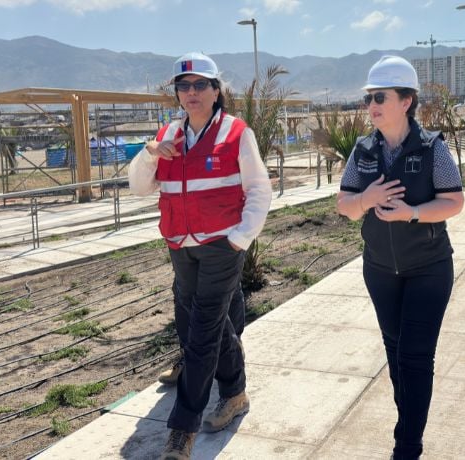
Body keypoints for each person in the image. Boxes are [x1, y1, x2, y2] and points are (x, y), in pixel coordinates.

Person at [128, 51, 272, 459]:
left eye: (199, 86)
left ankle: (181, 430)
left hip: (221, 246)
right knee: (209, 322)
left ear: (215, 91)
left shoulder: (236, 133)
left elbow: (260, 190)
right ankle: (236, 393)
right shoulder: (167, 137)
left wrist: (240, 238)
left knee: (202, 334)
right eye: (183, 87)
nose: (191, 93)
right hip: (180, 246)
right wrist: (152, 152)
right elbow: (139, 187)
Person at [336, 55, 464, 460]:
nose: (371, 105)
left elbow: (455, 201)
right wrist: (367, 198)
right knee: (395, 356)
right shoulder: (363, 149)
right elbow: (344, 205)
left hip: (428, 269)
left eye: (380, 96)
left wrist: (411, 212)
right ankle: (408, 421)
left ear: (406, 101)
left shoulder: (432, 149)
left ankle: (407, 446)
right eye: (369, 98)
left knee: (415, 356)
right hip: (380, 271)